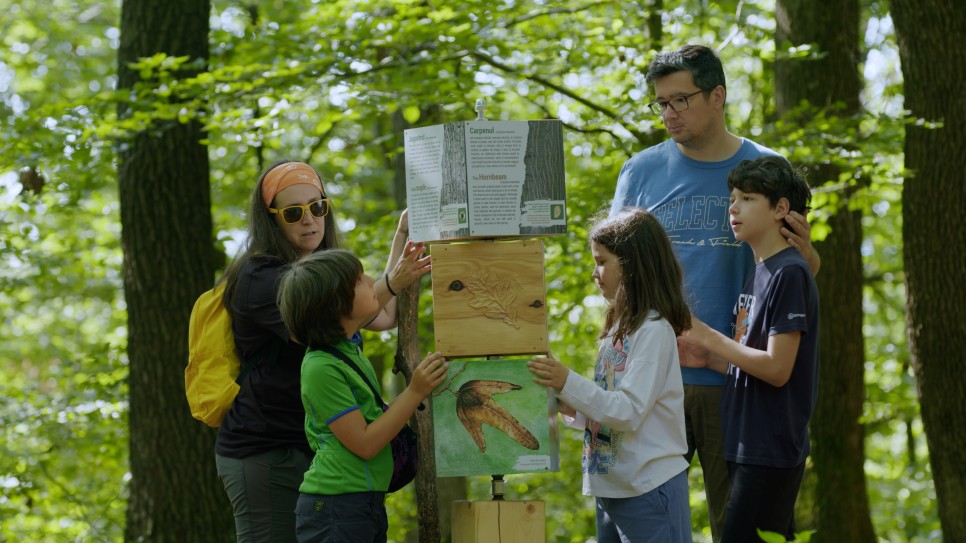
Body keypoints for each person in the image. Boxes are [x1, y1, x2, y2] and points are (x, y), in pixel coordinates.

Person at [610, 44, 820, 542]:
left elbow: (801, 270)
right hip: (652, 382)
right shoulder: (639, 171)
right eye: (660, 103)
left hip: (736, 381)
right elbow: (613, 272)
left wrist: (809, 252)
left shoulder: (765, 168)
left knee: (740, 527)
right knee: (647, 524)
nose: (669, 114)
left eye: (680, 100)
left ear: (718, 95)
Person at [214, 160, 430, 543]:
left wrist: (402, 236)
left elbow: (383, 315)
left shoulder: (320, 268)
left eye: (318, 207)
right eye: (293, 213)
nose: (309, 220)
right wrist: (393, 281)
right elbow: (336, 320)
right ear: (271, 220)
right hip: (264, 449)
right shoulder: (261, 278)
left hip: (314, 450)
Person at [528, 208, 693, 543]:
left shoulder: (653, 330)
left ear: (633, 264)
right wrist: (568, 405)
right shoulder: (619, 328)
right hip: (612, 490)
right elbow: (608, 410)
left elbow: (628, 411)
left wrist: (567, 381)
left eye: (602, 261)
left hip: (648, 490)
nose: (595, 273)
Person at [680, 156, 819, 542]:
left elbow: (777, 369)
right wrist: (710, 358)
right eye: (731, 199)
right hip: (745, 440)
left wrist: (708, 336)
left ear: (780, 209)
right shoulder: (758, 270)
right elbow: (754, 360)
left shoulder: (789, 272)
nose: (734, 208)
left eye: (747, 198)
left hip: (770, 446)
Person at [277, 249, 448, 542]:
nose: (371, 281)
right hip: (336, 508)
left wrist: (420, 392)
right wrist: (414, 390)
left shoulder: (347, 350)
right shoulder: (321, 367)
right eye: (358, 281)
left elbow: (375, 421)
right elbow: (366, 443)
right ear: (334, 306)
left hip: (360, 502)